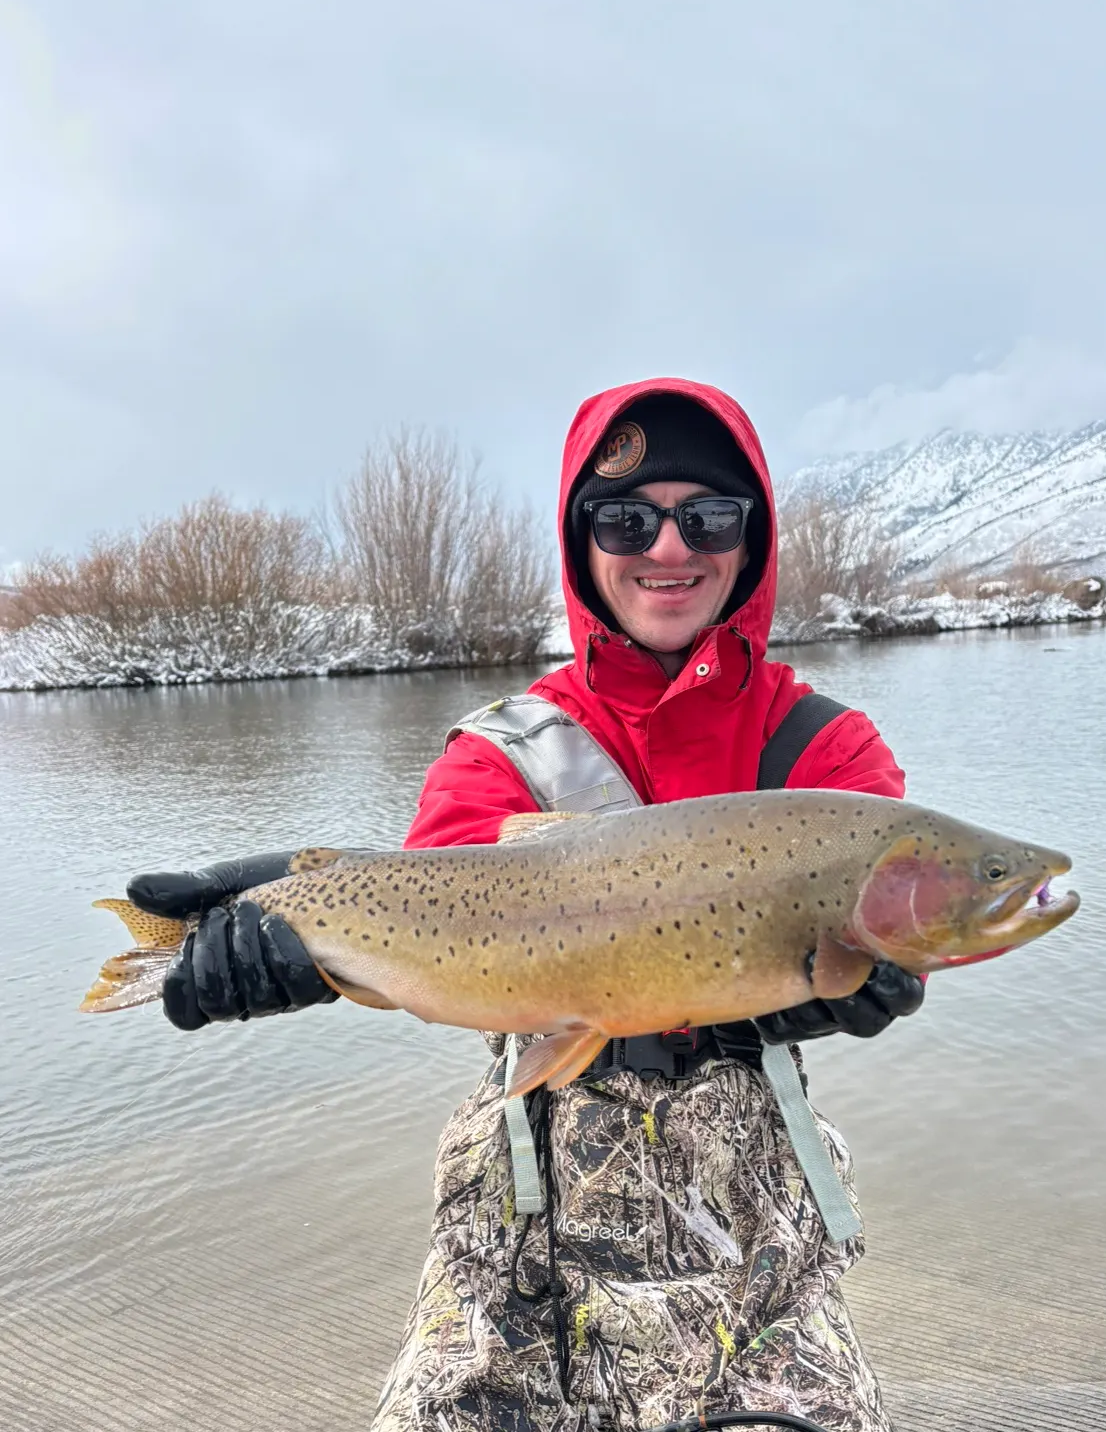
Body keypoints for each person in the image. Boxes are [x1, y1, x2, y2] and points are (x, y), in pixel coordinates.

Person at [128, 378, 924, 1432]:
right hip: (523, 1190)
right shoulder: (501, 749)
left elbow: (910, 921)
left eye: (709, 516)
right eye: (628, 518)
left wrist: (884, 966)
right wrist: (310, 926)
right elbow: (439, 912)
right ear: (582, 542)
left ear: (753, 538)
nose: (671, 547)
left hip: (755, 1204)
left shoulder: (827, 752)